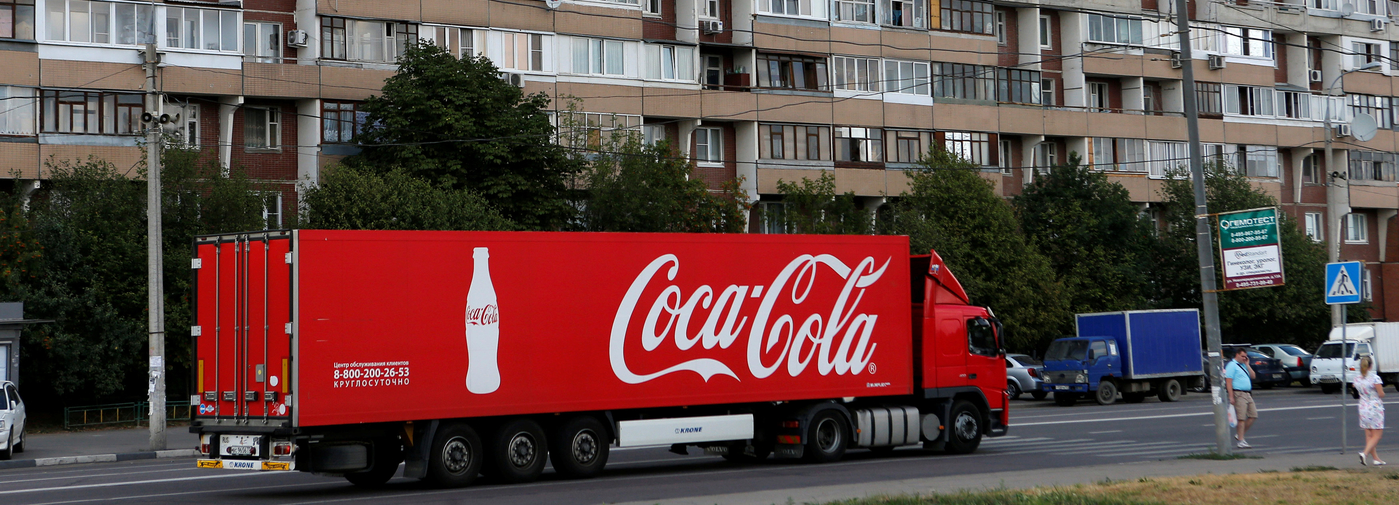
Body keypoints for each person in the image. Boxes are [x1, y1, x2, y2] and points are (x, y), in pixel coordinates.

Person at [1355, 355, 1386, 466]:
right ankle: (1364, 453)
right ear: (1371, 366)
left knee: (1369, 434)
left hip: (1362, 407)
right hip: (1374, 407)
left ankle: (1376, 458)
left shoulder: (1357, 379)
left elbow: (1355, 389)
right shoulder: (1375, 378)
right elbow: (1381, 394)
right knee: (1377, 435)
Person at [1224, 347, 1257, 448]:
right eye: (1242, 356)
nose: (1244, 358)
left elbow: (1253, 376)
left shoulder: (1243, 365)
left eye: (1245, 356)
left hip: (1247, 393)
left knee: (1253, 415)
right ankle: (1241, 441)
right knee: (1241, 418)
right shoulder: (1232, 365)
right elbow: (1228, 382)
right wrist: (1231, 397)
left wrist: (1247, 364)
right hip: (1238, 393)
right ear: (1237, 355)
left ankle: (1239, 434)